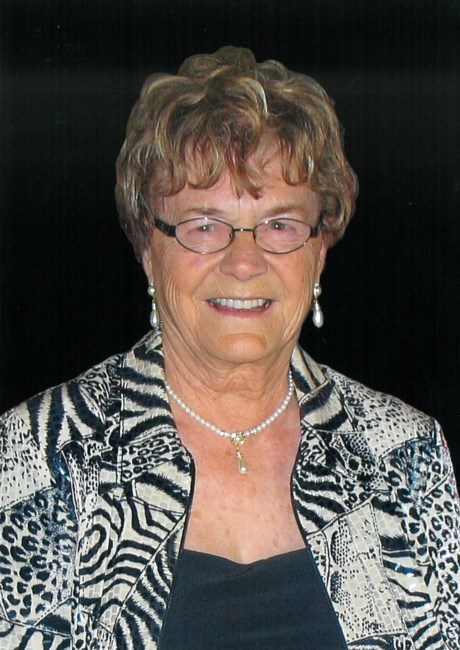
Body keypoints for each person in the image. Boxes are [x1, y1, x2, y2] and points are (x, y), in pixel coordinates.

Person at [0, 46, 459, 650]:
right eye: (204, 225)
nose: (245, 262)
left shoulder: (403, 452)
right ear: (148, 249)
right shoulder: (41, 452)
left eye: (280, 225)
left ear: (319, 252)